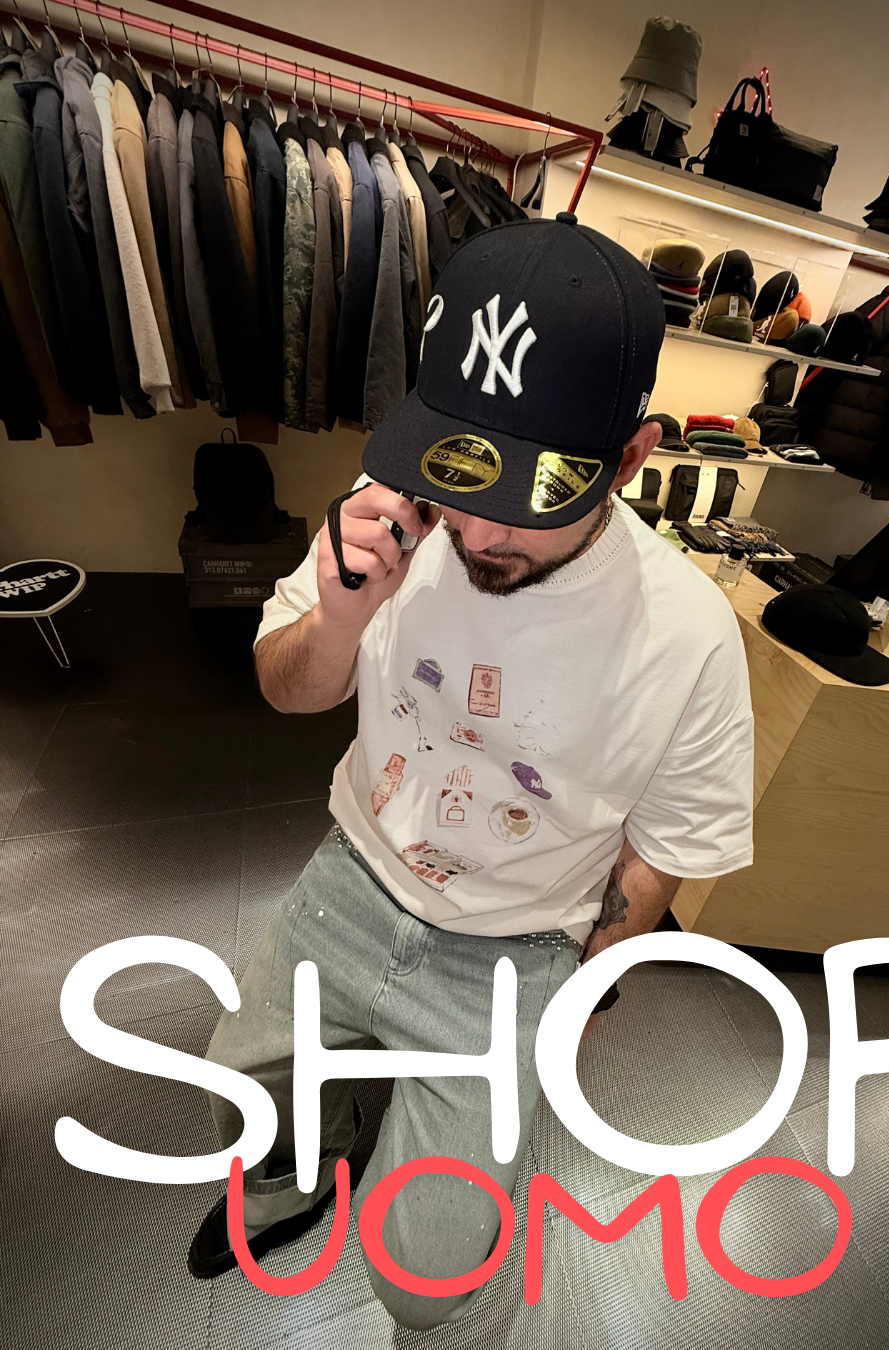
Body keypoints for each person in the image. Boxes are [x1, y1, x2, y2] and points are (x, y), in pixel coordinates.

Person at [188, 212, 754, 1329]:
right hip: (357, 871)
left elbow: (663, 849)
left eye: (530, 496)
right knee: (240, 1105)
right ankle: (312, 1162)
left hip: (518, 945)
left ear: (631, 457)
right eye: (460, 472)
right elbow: (287, 690)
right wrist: (340, 618)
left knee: (424, 1286)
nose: (481, 530)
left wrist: (580, 992)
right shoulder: (393, 514)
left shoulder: (688, 634)